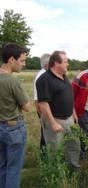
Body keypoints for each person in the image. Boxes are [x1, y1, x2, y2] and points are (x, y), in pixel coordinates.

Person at [36, 51, 80, 171]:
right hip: (55, 120)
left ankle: (73, 172)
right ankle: (57, 177)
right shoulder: (44, 79)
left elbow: (69, 96)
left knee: (73, 146)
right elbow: (43, 104)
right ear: (56, 63)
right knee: (55, 150)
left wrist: (73, 113)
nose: (68, 64)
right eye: (65, 61)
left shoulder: (64, 77)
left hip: (69, 119)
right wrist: (53, 123)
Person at [0, 43, 30, 188]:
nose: (23, 64)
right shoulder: (12, 81)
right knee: (13, 169)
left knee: (2, 166)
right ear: (12, 59)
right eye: (22, 60)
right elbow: (27, 107)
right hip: (13, 129)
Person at [33, 53, 50, 152]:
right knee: (45, 134)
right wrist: (42, 115)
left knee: (46, 134)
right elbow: (36, 99)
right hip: (43, 111)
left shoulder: (44, 74)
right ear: (46, 65)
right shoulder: (42, 76)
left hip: (44, 110)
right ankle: (44, 157)